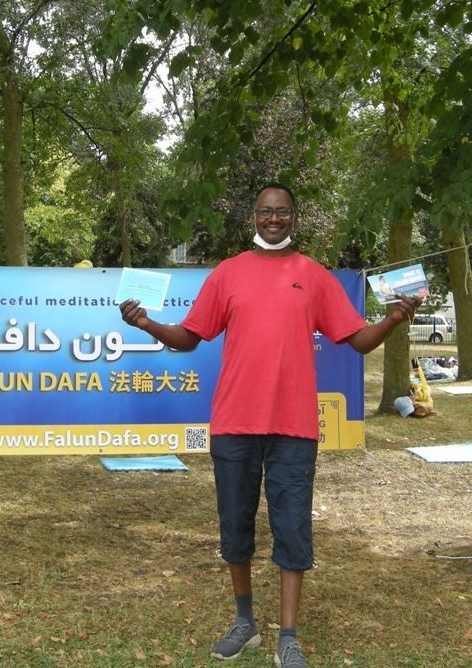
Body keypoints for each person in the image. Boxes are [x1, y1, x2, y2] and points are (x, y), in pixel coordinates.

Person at [119, 183, 421, 668]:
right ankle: (245, 623)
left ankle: (288, 637)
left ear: (293, 218)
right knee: (235, 525)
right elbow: (190, 338)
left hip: (294, 425)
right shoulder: (228, 273)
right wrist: (146, 324)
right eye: (265, 211)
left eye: (282, 211)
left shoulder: (313, 275)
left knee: (293, 528)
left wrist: (394, 320)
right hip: (235, 421)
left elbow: (358, 340)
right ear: (254, 217)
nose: (273, 218)